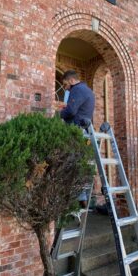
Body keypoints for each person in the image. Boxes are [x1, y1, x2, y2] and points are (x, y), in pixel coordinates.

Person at [60, 70, 95, 208]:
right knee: (82, 164)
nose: (65, 88)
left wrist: (60, 114)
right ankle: (84, 195)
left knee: (71, 163)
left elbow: (71, 111)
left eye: (65, 84)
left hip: (77, 132)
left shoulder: (77, 90)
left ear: (71, 80)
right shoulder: (87, 90)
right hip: (86, 132)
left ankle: (78, 197)